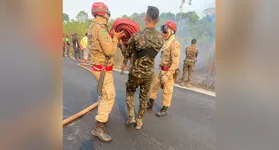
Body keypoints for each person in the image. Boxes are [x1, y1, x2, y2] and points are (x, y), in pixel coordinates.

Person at [120, 6, 164, 130]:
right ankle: (139, 121)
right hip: (149, 73)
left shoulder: (137, 36)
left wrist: (119, 43)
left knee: (130, 92)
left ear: (146, 18)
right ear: (157, 20)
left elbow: (127, 54)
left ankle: (131, 117)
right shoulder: (161, 38)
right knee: (144, 97)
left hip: (135, 73)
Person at [88, 2, 124, 142]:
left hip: (98, 67)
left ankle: (102, 118)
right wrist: (115, 38)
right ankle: (98, 127)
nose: (108, 16)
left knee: (104, 93)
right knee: (109, 96)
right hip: (103, 69)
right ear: (103, 14)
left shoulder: (92, 27)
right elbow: (109, 50)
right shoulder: (101, 29)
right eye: (107, 14)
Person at [147, 20, 181, 116]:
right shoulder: (166, 42)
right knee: (153, 87)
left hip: (168, 73)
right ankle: (150, 104)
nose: (163, 33)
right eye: (163, 31)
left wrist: (168, 75)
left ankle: (164, 108)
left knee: (167, 91)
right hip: (161, 70)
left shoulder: (175, 44)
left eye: (165, 31)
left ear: (171, 31)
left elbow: (175, 63)